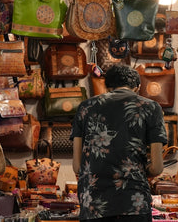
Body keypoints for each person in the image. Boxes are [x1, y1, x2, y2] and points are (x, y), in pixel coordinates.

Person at [71, 64, 167, 222]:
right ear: (137, 87)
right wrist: (139, 169)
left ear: (107, 87)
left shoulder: (86, 107)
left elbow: (77, 166)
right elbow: (157, 168)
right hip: (133, 202)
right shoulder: (150, 107)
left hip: (94, 205)